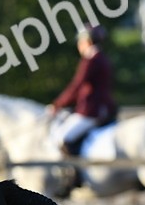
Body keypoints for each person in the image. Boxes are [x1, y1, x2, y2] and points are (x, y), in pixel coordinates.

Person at [46, 25, 116, 157]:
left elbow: (77, 85)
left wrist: (58, 104)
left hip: (90, 111)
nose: (79, 45)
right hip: (104, 108)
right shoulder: (102, 58)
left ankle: (75, 169)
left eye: (80, 41)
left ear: (87, 41)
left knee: (62, 138)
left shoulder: (91, 60)